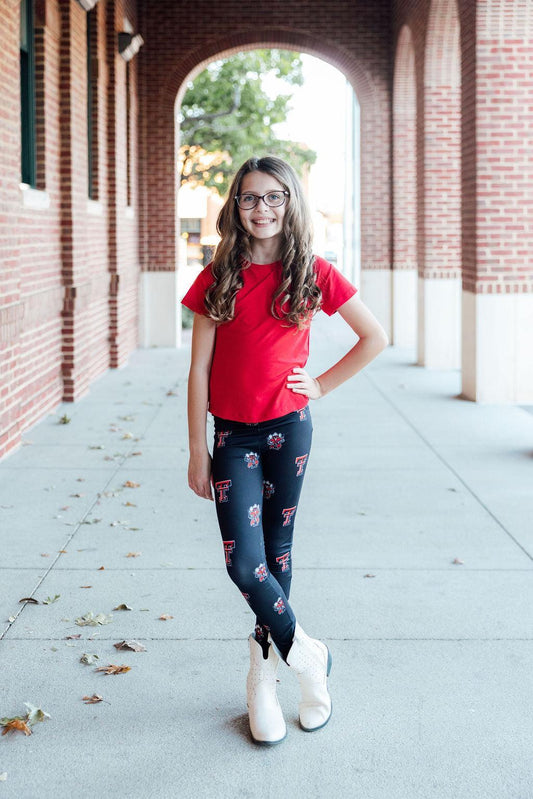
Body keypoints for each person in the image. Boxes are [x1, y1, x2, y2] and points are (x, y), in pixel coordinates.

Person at [182, 156, 388, 746]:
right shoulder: (218, 274)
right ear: (235, 206)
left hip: (288, 431)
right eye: (250, 198)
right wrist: (197, 447)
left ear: (291, 202)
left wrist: (320, 384)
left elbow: (374, 337)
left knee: (278, 555)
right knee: (244, 564)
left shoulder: (312, 272)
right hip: (234, 437)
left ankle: (265, 678)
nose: (262, 209)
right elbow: (199, 369)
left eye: (274, 197)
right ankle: (309, 654)